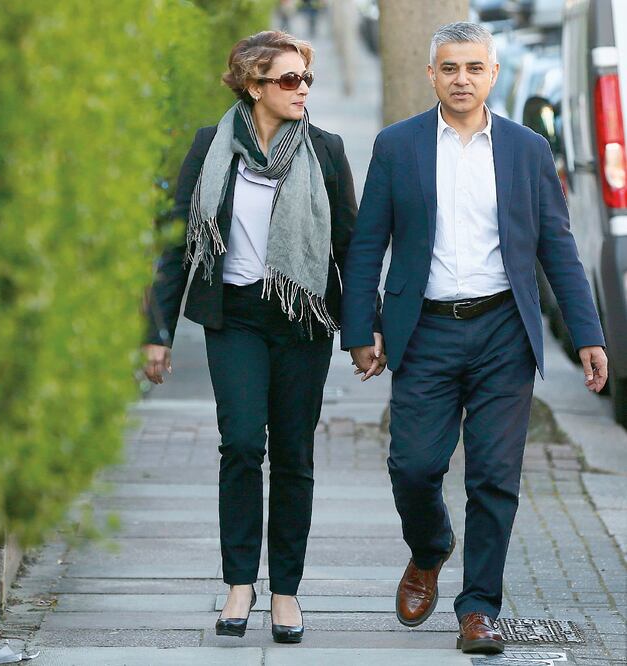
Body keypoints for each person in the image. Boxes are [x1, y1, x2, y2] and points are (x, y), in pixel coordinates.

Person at [341, 22, 607, 655]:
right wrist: (361, 328)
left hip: (503, 332)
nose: (462, 79)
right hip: (424, 330)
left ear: (492, 74)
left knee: (493, 475)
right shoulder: (397, 146)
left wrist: (587, 334)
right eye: (450, 68)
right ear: (432, 75)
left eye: (474, 68)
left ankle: (480, 608)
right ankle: (430, 547)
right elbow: (367, 243)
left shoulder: (527, 149)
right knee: (414, 466)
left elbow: (558, 247)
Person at [143, 30, 377, 644]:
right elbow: (176, 238)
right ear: (253, 85)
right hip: (237, 318)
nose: (302, 90)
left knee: (294, 454)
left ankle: (286, 591)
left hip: (303, 320)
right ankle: (239, 583)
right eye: (289, 80)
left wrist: (363, 329)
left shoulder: (325, 150)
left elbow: (350, 247)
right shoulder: (211, 146)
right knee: (243, 444)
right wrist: (158, 330)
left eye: (306, 79)